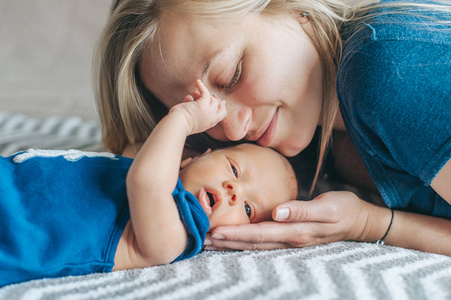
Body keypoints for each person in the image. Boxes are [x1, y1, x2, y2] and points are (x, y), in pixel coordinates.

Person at [94, 0, 451, 256]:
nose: (232, 130)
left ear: (294, 8)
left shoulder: (386, 70)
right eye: (202, 112)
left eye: (231, 75)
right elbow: (134, 156)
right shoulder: (305, 139)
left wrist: (371, 224)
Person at [0, 80, 298, 287]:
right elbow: (142, 153)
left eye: (247, 209)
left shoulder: (173, 238)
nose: (235, 191)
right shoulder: (152, 165)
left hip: (14, 235)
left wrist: (183, 120)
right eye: (234, 169)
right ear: (191, 159)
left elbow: (147, 182)